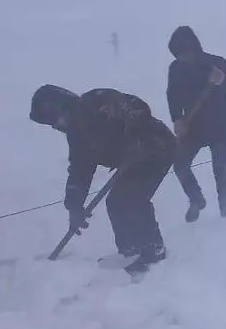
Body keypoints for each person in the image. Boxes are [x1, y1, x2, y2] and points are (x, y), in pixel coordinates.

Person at [29, 84, 177, 275]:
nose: (57, 126)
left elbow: (137, 108)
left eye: (55, 121)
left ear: (61, 108)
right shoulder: (77, 134)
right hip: (131, 160)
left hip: (156, 148)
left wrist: (136, 137)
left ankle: (154, 250)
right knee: (116, 201)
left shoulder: (99, 101)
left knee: (133, 198)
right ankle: (129, 251)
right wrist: (75, 206)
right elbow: (80, 169)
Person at [165, 25, 226, 222]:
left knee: (220, 170)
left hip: (219, 126)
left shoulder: (216, 64)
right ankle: (196, 199)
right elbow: (172, 96)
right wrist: (177, 119)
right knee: (180, 164)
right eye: (177, 55)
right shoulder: (175, 69)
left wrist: (223, 80)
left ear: (194, 48)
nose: (181, 58)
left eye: (183, 53)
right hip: (193, 127)